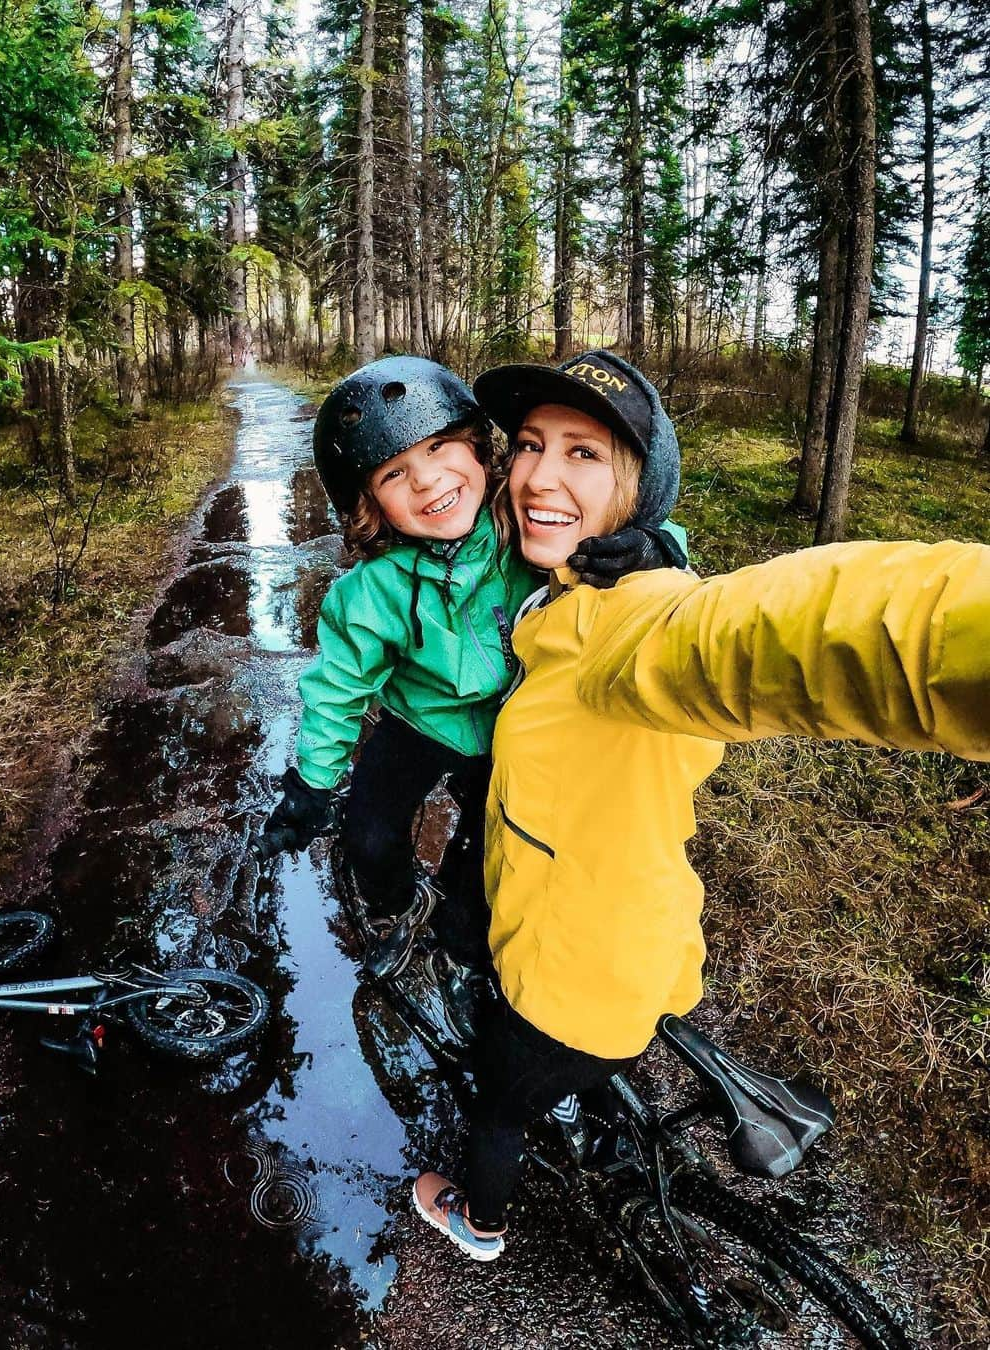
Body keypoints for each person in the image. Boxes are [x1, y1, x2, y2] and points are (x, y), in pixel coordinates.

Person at [410, 348, 990, 1261]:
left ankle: (475, 1224)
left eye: (584, 454)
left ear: (636, 489)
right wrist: (665, 543)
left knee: (496, 1102)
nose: (537, 477)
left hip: (567, 981)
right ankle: (603, 1116)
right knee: (595, 1067)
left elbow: (781, 629)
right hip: (642, 944)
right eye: (527, 445)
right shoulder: (569, 592)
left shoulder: (631, 632)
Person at [259, 356, 688, 1042]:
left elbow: (629, 544)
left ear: (480, 452)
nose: (426, 479)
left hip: (505, 732)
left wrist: (654, 548)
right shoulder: (368, 595)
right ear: (371, 505)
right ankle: (400, 905)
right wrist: (313, 782)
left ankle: (464, 951)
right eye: (394, 473)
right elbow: (337, 692)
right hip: (418, 723)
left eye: (438, 449)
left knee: (485, 866)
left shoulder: (526, 534)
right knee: (367, 837)